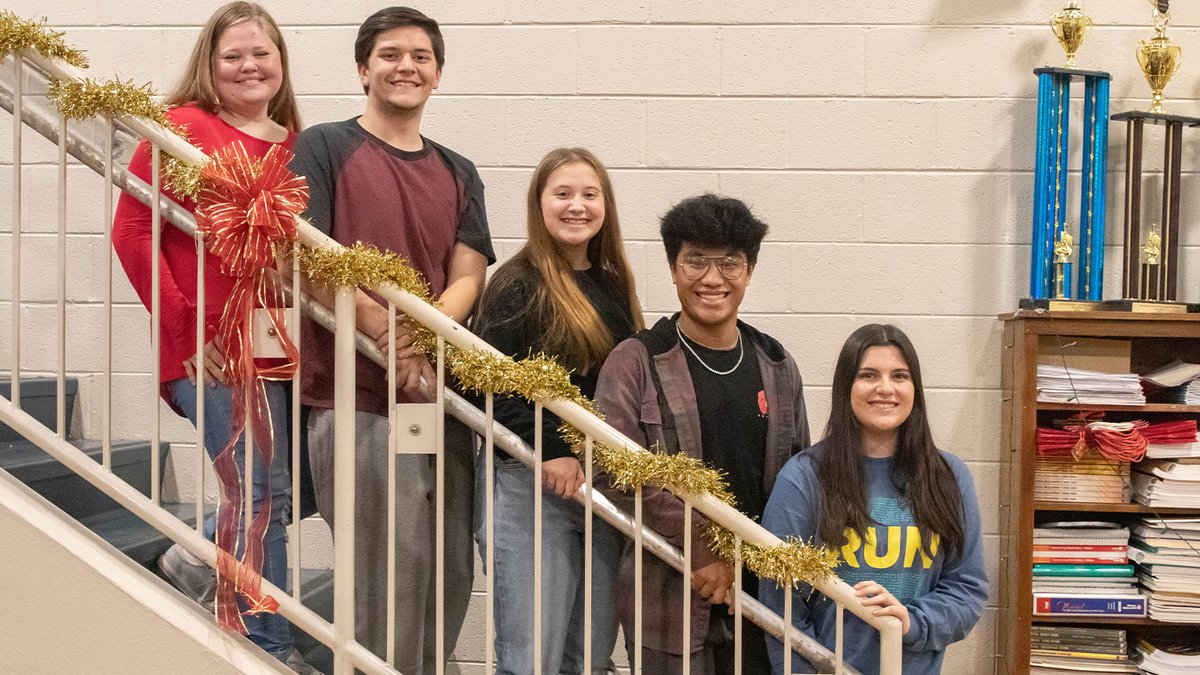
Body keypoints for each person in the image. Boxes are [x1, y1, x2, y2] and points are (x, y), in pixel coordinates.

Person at [111, 3, 316, 673]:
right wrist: (185, 331)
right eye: (234, 56)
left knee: (288, 489)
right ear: (210, 63)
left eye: (262, 53)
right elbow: (132, 233)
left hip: (274, 345)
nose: (249, 66)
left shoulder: (295, 143)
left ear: (281, 62)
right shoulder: (183, 128)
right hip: (208, 348)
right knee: (258, 495)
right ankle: (267, 644)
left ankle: (193, 555)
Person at [287, 6, 494, 673]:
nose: (407, 66)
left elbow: (469, 272)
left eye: (421, 57)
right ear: (362, 69)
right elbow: (307, 258)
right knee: (387, 571)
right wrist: (385, 334)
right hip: (358, 397)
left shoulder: (459, 169)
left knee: (447, 570)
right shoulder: (323, 147)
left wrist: (423, 340)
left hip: (435, 399)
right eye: (390, 55)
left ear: (438, 74)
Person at [594, 194, 810, 675]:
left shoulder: (777, 364)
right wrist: (705, 548)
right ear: (674, 269)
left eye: (730, 263)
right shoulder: (636, 361)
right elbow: (613, 471)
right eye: (695, 261)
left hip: (764, 599)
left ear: (750, 271)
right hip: (671, 592)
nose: (713, 278)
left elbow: (801, 477)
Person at [472, 148, 642, 674]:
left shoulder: (613, 284)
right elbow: (486, 381)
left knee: (588, 656)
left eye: (590, 194)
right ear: (539, 203)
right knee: (532, 658)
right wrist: (550, 449)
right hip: (529, 484)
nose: (577, 206)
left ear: (606, 206)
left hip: (599, 488)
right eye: (562, 194)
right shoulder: (517, 283)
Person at [759, 324, 987, 675]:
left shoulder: (949, 476)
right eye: (868, 375)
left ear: (915, 389)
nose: (885, 388)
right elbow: (780, 600)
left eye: (900, 376)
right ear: (846, 387)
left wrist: (912, 622)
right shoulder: (803, 476)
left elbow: (967, 589)